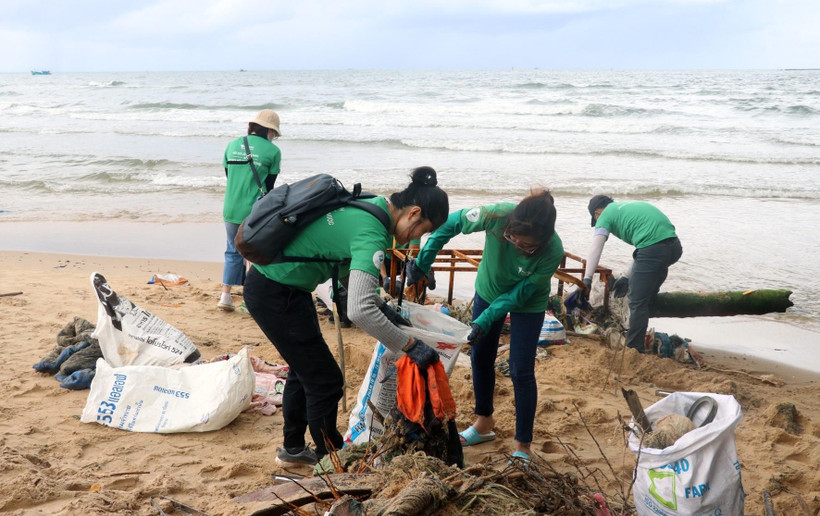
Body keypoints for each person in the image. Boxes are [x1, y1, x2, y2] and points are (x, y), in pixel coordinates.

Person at [243, 167, 449, 466]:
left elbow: (347, 271)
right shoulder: (373, 231)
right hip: (275, 294)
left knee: (305, 371)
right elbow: (359, 310)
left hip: (284, 288)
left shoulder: (372, 205)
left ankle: (293, 448)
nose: (416, 237)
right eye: (422, 230)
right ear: (414, 213)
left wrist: (383, 307)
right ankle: (331, 456)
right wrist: (410, 346)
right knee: (326, 381)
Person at [405, 189, 564, 464]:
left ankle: (522, 446)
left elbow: (518, 294)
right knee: (480, 357)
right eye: (512, 239)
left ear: (543, 240)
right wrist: (424, 261)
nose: (517, 247)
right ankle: (484, 423)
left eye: (526, 246)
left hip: (527, 302)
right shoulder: (496, 215)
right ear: (510, 226)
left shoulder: (553, 251)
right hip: (488, 289)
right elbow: (452, 223)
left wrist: (485, 319)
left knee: (521, 370)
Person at [583, 195, 683, 352]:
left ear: (597, 213)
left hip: (654, 249)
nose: (598, 222)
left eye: (596, 219)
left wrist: (587, 278)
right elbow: (642, 251)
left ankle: (634, 348)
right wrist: (625, 277)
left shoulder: (605, 215)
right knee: (646, 296)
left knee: (637, 301)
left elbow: (596, 247)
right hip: (673, 247)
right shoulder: (626, 208)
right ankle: (641, 334)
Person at [218, 109, 282, 311]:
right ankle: (248, 301)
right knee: (252, 254)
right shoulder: (273, 151)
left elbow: (230, 176)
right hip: (254, 210)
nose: (274, 137)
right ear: (269, 131)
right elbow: (270, 187)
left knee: (232, 250)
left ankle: (225, 297)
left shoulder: (232, 145)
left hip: (230, 206)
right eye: (274, 133)